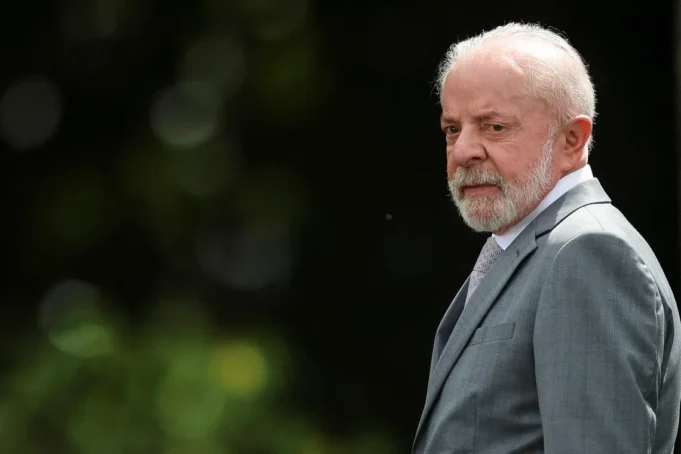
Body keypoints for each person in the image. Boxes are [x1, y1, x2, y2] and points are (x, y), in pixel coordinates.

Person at [412, 23, 681, 454]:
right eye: (452, 129)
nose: (463, 151)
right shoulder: (536, 247)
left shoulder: (589, 252)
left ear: (572, 140)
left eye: (494, 126)